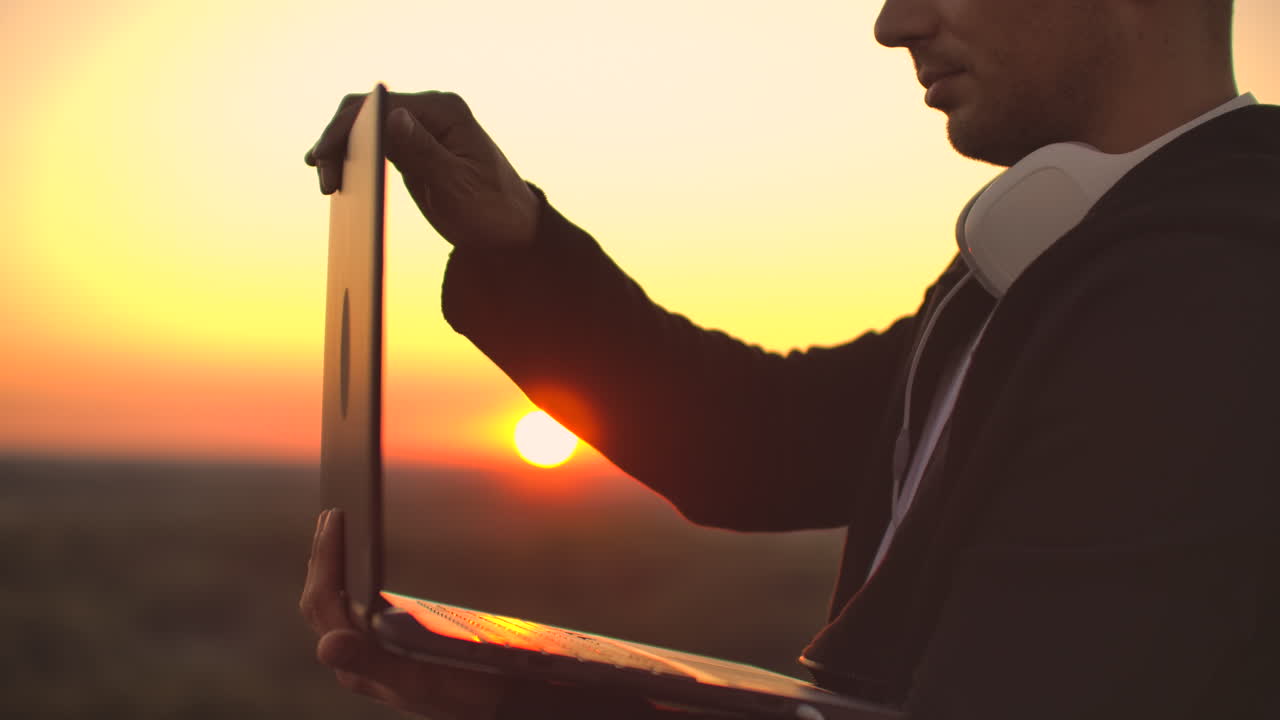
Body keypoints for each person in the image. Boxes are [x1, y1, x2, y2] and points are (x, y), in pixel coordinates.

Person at [300, 0, 1280, 717]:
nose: (890, 23)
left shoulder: (1213, 290)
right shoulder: (1066, 253)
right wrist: (518, 244)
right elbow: (763, 443)